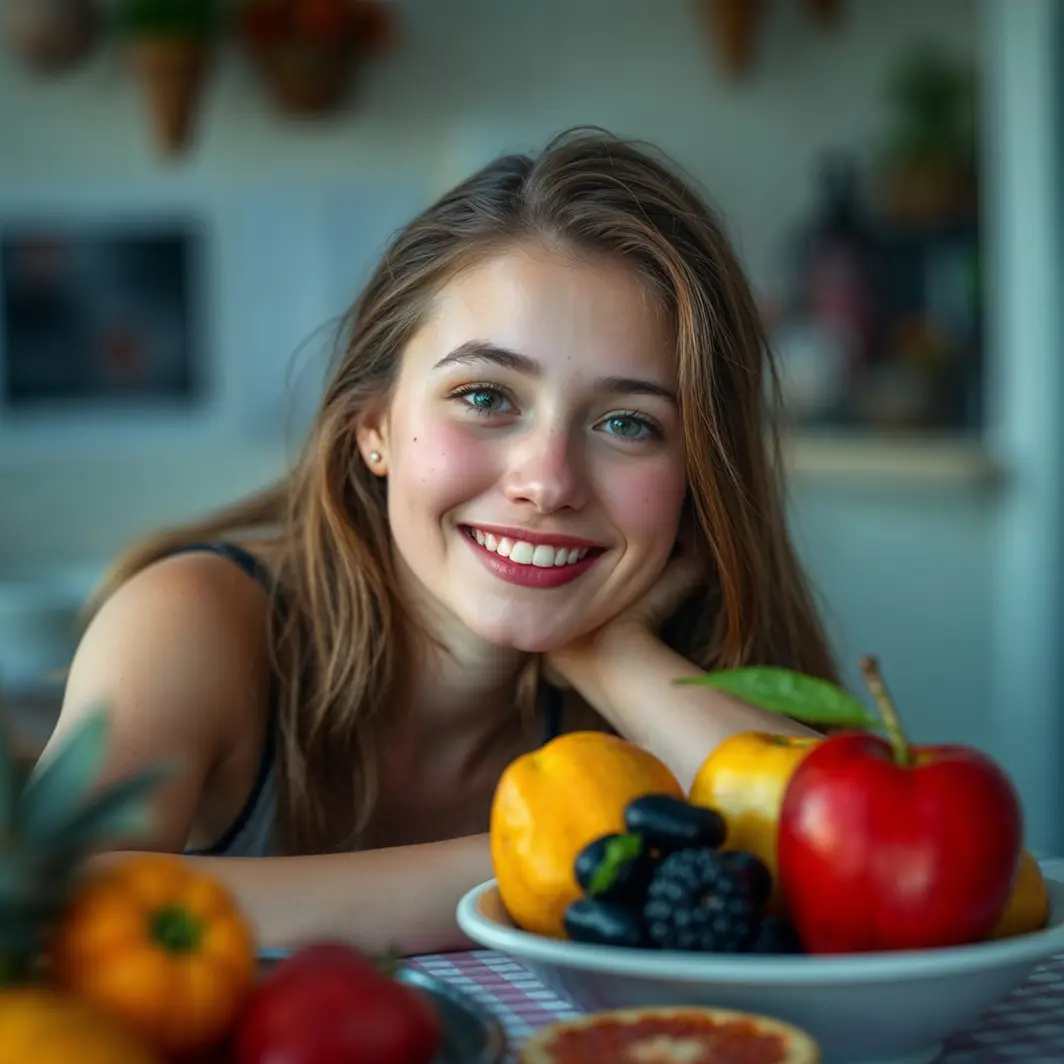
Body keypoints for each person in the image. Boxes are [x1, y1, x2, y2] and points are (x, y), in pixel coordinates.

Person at [46, 128, 836, 956]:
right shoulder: (194, 619)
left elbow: (847, 877)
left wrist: (618, 659)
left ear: (699, 476)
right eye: (487, 396)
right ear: (375, 426)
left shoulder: (651, 698)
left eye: (627, 423)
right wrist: (536, 864)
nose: (548, 481)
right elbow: (55, 903)